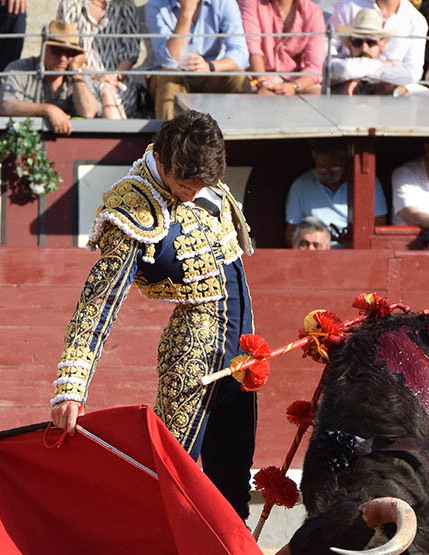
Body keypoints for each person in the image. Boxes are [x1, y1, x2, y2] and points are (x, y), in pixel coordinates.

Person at [49, 110, 257, 521]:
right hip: (192, 359)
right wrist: (71, 386)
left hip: (243, 354)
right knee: (172, 478)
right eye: (185, 185)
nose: (195, 194)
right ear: (161, 161)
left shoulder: (200, 182)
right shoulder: (133, 209)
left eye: (204, 185)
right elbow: (99, 302)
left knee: (232, 484)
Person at [144, 0, 253, 121]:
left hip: (212, 73)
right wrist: (186, 13)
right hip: (176, 74)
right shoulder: (155, 5)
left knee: (238, 77)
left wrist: (210, 67)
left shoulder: (224, 3)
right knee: (169, 78)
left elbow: (240, 53)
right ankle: (167, 137)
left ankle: (246, 135)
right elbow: (167, 60)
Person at [0, 20, 101, 135]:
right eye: (56, 50)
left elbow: (89, 113)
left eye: (69, 53)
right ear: (43, 47)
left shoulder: (77, 74)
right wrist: (47, 109)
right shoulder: (19, 68)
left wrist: (75, 72)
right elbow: (7, 107)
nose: (62, 58)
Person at [284, 138, 388, 247]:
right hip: (316, 253)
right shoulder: (301, 185)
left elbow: (378, 226)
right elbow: (291, 233)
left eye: (335, 168)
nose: (328, 173)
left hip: (356, 253)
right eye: (322, 168)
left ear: (345, 161)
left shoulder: (367, 181)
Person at [57, 0, 143, 118]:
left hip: (118, 81)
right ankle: (117, 135)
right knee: (104, 92)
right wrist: (97, 77)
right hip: (82, 78)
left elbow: (131, 53)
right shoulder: (70, 4)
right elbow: (66, 49)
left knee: (107, 91)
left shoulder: (126, 5)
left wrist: (113, 78)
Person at [329, 0, 426, 93]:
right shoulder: (347, 6)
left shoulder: (417, 21)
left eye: (371, 42)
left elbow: (413, 74)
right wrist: (382, 65)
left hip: (390, 91)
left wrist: (359, 76)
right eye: (357, 42)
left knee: (421, 92)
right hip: (344, 88)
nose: (364, 48)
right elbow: (329, 61)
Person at [240, 0, 325, 96]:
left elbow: (315, 66)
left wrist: (294, 86)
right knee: (257, 94)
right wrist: (262, 83)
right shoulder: (251, 2)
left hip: (295, 78)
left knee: (315, 94)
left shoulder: (313, 12)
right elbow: (252, 48)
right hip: (256, 76)